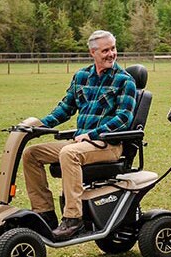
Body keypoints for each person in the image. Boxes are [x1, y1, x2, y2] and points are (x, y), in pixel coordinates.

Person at [18, 30, 137, 240]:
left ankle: (73, 219)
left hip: (108, 145)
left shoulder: (124, 81)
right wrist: (40, 126)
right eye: (105, 50)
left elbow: (123, 120)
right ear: (92, 52)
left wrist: (93, 134)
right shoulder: (81, 76)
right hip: (81, 143)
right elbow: (65, 108)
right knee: (31, 154)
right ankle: (44, 214)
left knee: (69, 153)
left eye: (113, 49)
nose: (111, 54)